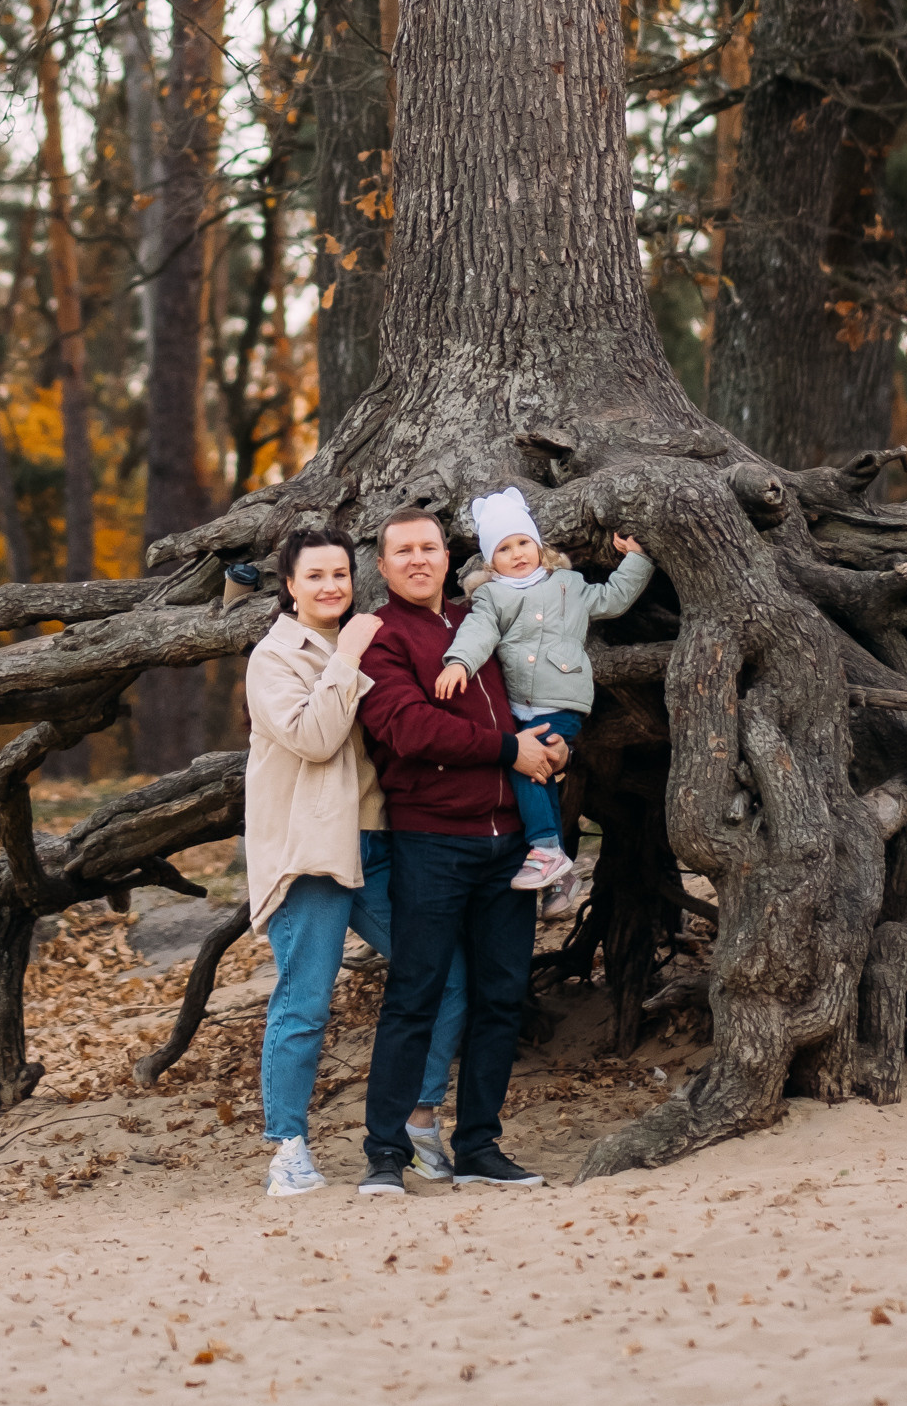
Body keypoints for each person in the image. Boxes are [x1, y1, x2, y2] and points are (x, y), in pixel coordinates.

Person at [243, 523, 468, 1198]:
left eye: (339, 574)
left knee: (447, 976)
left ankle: (419, 1121)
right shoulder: (274, 658)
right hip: (310, 850)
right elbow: (314, 739)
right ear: (289, 587)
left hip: (374, 842)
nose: (330, 586)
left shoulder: (367, 638)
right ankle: (287, 1145)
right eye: (314, 576)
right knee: (305, 1002)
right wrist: (347, 657)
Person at [353, 506, 569, 1194]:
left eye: (430, 548)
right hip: (432, 841)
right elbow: (409, 728)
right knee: (414, 994)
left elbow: (531, 699)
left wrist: (554, 745)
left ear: (449, 557)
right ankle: (386, 1153)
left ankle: (479, 1147)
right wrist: (511, 749)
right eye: (403, 552)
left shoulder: (486, 616)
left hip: (510, 844)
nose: (419, 560)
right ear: (383, 568)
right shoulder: (382, 639)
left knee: (502, 997)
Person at [436, 486, 653, 901]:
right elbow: (479, 632)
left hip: (562, 697)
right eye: (504, 549)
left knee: (525, 764)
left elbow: (613, 598)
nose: (517, 554)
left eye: (523, 543)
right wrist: (460, 661)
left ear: (538, 545)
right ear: (490, 560)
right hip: (518, 703)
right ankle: (560, 869)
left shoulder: (568, 584)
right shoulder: (491, 596)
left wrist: (638, 559)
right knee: (538, 772)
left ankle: (546, 849)